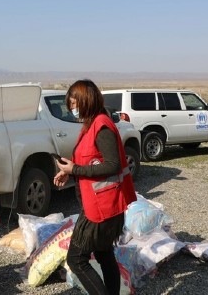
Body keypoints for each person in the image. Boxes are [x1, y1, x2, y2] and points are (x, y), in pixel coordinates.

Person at [53, 79, 137, 295]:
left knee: (76, 259)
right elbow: (90, 161)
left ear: (86, 101)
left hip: (101, 209)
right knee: (103, 253)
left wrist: (75, 170)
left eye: (74, 103)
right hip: (98, 204)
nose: (72, 109)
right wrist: (68, 171)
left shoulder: (101, 127)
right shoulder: (91, 124)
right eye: (70, 104)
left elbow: (113, 165)